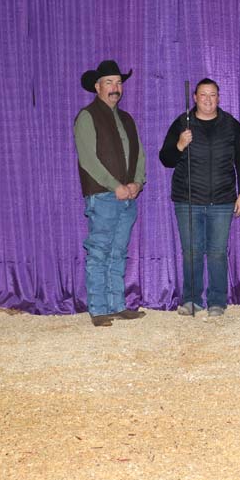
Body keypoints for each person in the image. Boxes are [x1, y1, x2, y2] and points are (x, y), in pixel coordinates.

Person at [159, 78, 240, 317]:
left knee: (218, 252)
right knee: (192, 251)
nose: (208, 100)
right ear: (195, 98)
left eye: (213, 95)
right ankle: (191, 299)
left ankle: (217, 301)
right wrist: (179, 144)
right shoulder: (182, 123)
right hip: (188, 199)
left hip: (222, 199)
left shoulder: (231, 124)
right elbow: (165, 158)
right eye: (203, 95)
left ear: (218, 98)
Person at [73, 59, 147, 327]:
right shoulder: (87, 116)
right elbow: (88, 160)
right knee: (100, 251)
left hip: (127, 196)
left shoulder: (127, 118)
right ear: (97, 86)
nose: (115, 87)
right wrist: (115, 185)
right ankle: (99, 308)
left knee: (118, 251)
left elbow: (140, 154)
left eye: (118, 82)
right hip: (104, 196)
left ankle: (117, 304)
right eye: (109, 82)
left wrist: (137, 183)